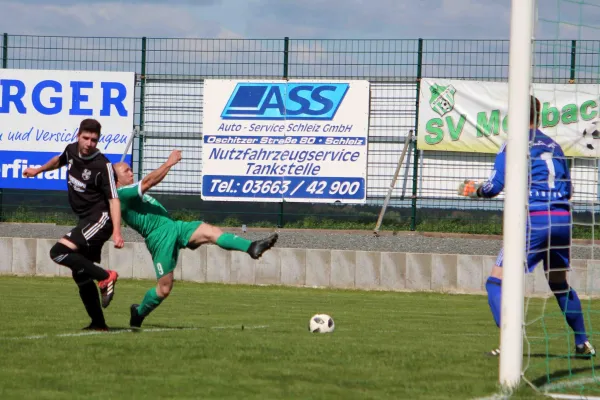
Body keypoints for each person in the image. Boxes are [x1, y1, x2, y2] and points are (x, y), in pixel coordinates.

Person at [458, 95, 595, 357]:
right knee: (558, 282)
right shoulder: (554, 145)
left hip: (535, 219)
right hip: (562, 220)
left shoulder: (514, 145)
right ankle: (583, 342)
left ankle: (511, 344)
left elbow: (493, 187)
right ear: (539, 115)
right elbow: (569, 188)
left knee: (495, 282)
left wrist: (473, 190)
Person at [112, 150, 279, 329]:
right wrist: (169, 163)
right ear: (116, 180)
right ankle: (139, 313)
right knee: (164, 289)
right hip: (159, 238)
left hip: (174, 226)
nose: (131, 172)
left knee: (210, 231)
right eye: (126, 171)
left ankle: (251, 247)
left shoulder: (127, 192)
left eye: (130, 169)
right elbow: (148, 181)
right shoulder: (121, 194)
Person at [23, 118, 123, 331]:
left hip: (100, 219)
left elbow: (114, 199)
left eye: (94, 140)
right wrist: (37, 170)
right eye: (86, 138)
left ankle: (106, 276)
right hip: (85, 219)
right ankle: (98, 324)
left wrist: (116, 231)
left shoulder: (103, 165)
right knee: (80, 274)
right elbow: (57, 161)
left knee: (58, 252)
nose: (89, 143)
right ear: (78, 136)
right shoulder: (71, 150)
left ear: (98, 140)